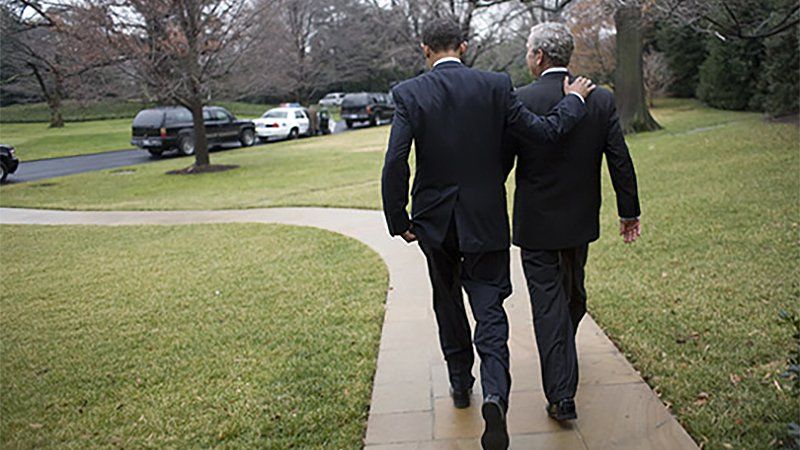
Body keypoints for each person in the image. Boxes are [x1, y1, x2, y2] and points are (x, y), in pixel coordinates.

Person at [380, 17, 596, 450]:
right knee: (490, 309)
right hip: (486, 219)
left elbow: (396, 160)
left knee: (447, 300)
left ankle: (461, 383)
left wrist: (398, 218)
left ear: (425, 49)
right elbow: (544, 133)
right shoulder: (496, 86)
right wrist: (572, 101)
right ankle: (495, 393)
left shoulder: (409, 93)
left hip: (436, 223)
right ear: (464, 46)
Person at [505, 22, 641, 422]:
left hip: (536, 224)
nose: (528, 57)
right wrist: (628, 209)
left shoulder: (519, 100)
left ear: (540, 56)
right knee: (567, 296)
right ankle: (561, 392)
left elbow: (502, 160)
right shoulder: (598, 100)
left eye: (529, 51)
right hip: (578, 222)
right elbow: (619, 157)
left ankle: (560, 372)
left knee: (559, 303)